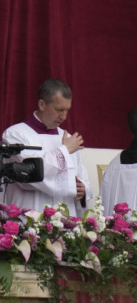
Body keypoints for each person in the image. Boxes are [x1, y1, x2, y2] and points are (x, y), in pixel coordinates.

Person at [2, 78, 92, 215]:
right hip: (30, 216)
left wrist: (83, 189)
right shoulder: (15, 134)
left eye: (67, 110)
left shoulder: (67, 138)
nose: (64, 117)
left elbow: (81, 177)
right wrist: (64, 151)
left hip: (64, 221)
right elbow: (28, 177)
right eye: (59, 110)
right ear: (42, 104)